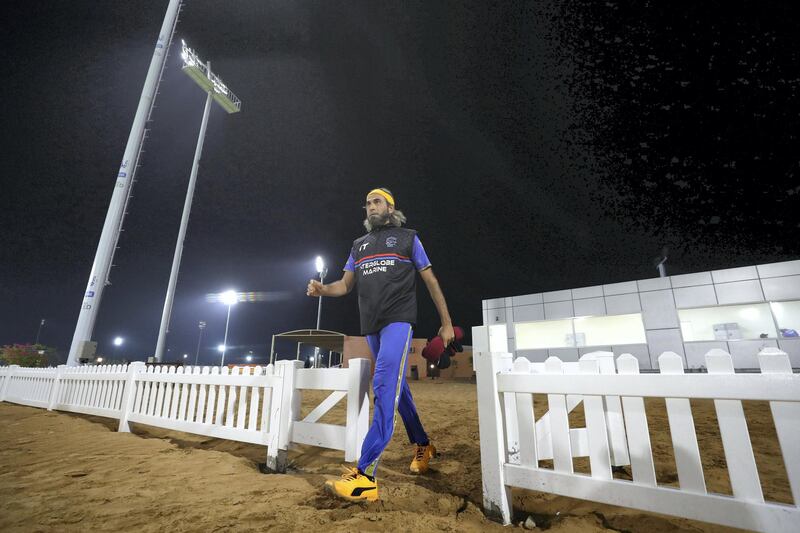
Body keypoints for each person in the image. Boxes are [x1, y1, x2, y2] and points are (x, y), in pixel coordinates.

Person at [306, 187, 454, 502]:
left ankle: (365, 476)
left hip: (399, 321)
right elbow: (344, 285)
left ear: (390, 207)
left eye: (377, 202)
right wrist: (323, 289)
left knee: (384, 384)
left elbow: (430, 279)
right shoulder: (358, 246)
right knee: (399, 392)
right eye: (368, 203)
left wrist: (445, 322)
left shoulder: (408, 238)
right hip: (371, 327)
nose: (371, 206)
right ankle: (423, 444)